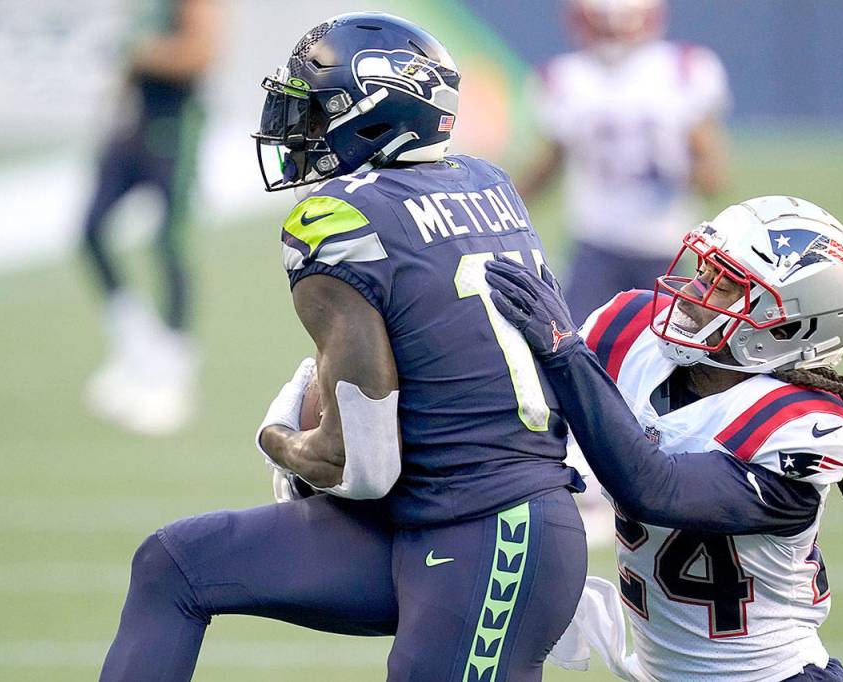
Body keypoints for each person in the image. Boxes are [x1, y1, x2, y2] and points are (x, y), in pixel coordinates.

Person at [99, 13, 588, 682]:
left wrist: (281, 439)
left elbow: (364, 467)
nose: (297, 127)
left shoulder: (338, 221)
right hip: (437, 514)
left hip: (491, 531)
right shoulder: (486, 180)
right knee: (176, 563)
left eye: (315, 108)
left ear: (373, 115)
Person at [484, 196, 843, 681]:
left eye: (726, 285)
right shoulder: (628, 331)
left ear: (789, 326)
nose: (695, 288)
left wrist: (566, 354)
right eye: (705, 268)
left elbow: (653, 489)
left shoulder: (801, 427)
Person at [518, 0, 730, 322]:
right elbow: (713, 177)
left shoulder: (562, 77)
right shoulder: (683, 67)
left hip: (653, 247)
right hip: (613, 244)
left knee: (581, 346)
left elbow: (711, 176)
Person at [82, 0, 221, 435]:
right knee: (90, 232)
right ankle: (137, 349)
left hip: (175, 122)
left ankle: (175, 374)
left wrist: (140, 52)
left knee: (166, 241)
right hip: (135, 121)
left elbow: (201, 53)